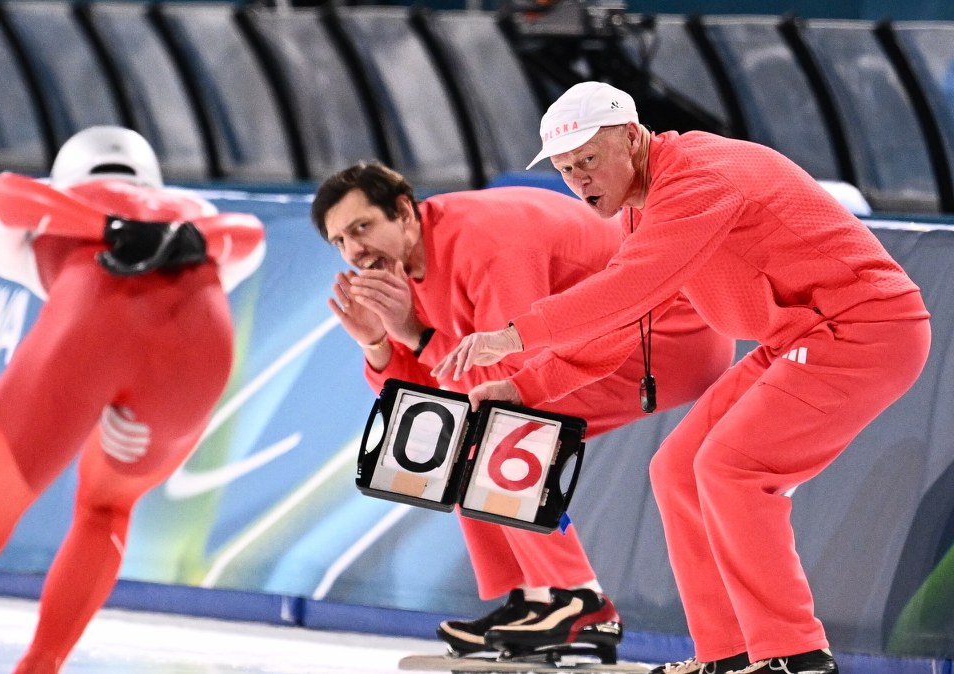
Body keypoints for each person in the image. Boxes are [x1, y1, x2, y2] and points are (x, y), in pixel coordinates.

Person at [434, 82, 931, 674]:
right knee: (676, 470)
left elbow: (626, 289)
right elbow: (626, 322)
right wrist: (523, 389)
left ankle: (793, 654)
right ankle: (727, 653)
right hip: (800, 335)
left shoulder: (699, 176)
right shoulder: (647, 202)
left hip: (862, 330)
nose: (581, 180)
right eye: (567, 170)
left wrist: (514, 335)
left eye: (590, 160)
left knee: (731, 470)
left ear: (631, 136)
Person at [312, 160, 735, 662]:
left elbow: (509, 378)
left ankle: (577, 601)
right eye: (340, 241)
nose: (354, 251)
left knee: (495, 427)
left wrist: (415, 335)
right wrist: (380, 343)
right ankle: (537, 598)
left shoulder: (487, 245)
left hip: (669, 335)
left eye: (362, 227)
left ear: (404, 211)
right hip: (603, 339)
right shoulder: (407, 264)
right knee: (462, 434)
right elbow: (431, 396)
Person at [0, 126, 265, 674]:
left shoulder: (57, 202)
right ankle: (41, 665)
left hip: (87, 330)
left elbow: (5, 196)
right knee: (108, 508)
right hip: (195, 356)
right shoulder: (193, 207)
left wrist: (106, 229)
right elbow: (249, 233)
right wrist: (185, 239)